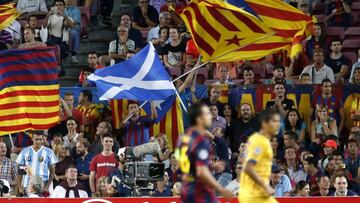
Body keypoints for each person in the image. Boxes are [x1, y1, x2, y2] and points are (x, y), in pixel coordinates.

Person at [176, 103, 233, 203]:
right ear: (199, 119)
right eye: (207, 114)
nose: (210, 116)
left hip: (186, 189)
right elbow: (201, 172)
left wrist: (210, 166)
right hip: (200, 192)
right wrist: (221, 190)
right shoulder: (200, 140)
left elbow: (190, 166)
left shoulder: (183, 138)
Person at [238, 109, 281, 203]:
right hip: (254, 196)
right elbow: (248, 167)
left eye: (279, 121)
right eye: (274, 121)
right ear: (265, 123)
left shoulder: (256, 139)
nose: (278, 125)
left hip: (258, 195)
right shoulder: (260, 142)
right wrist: (266, 186)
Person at [16, 131, 58, 195]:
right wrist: (20, 187)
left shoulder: (49, 152)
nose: (38, 141)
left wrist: (47, 186)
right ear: (32, 139)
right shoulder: (24, 152)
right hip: (28, 185)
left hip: (43, 185)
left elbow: (52, 172)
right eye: (36, 139)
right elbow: (20, 172)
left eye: (40, 139)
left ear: (43, 140)